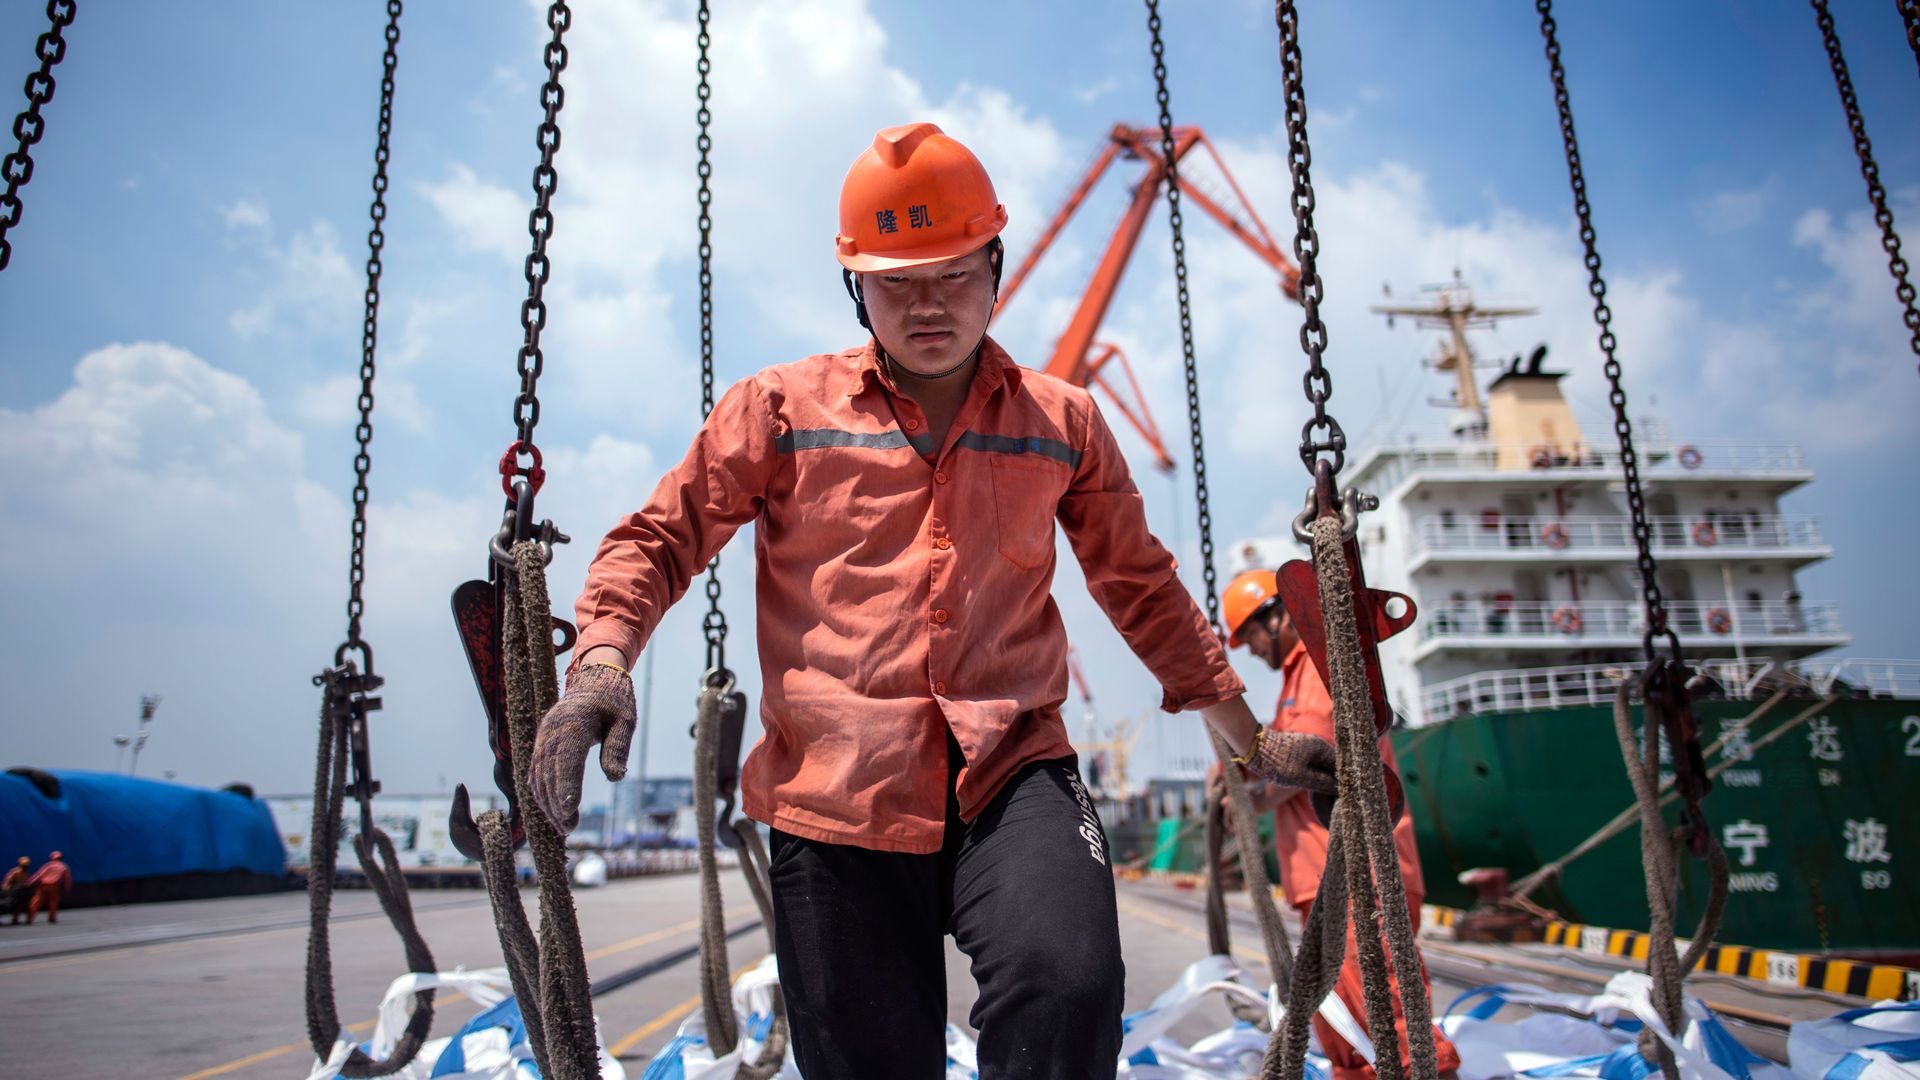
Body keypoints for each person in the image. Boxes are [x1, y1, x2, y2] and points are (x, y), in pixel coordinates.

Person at [528, 122, 1339, 1079]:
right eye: (897, 280)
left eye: (954, 273)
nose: (929, 305)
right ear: (854, 286)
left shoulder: (1063, 420)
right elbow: (657, 538)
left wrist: (1249, 739)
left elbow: (1141, 584)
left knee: (1069, 984)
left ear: (996, 265)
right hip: (834, 794)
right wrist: (600, 664)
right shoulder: (780, 411)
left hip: (1014, 772)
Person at [1221, 569, 1462, 1080]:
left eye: (1253, 637)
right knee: (1345, 1033)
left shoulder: (1315, 666)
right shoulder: (1294, 679)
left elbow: (1315, 755)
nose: (1254, 651)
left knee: (1391, 1022)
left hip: (1360, 876)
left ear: (1279, 615)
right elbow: (1283, 749)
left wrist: (1256, 797)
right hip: (1326, 883)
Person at [24, 850, 72, 925]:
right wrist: (67, 888)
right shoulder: (64, 867)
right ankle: (51, 918)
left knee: (36, 902)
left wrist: (30, 882)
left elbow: (39, 875)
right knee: (53, 902)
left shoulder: (48, 865)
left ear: (52, 858)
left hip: (43, 885)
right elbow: (67, 879)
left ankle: (30, 918)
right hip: (54, 886)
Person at [4, 856, 29, 925]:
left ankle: (15, 919)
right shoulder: (15, 872)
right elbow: (8, 881)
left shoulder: (25, 873)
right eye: (24, 865)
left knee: (18, 906)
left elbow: (25, 882)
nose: (25, 867)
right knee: (7, 905)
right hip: (12, 891)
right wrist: (6, 890)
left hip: (20, 892)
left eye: (26, 865)